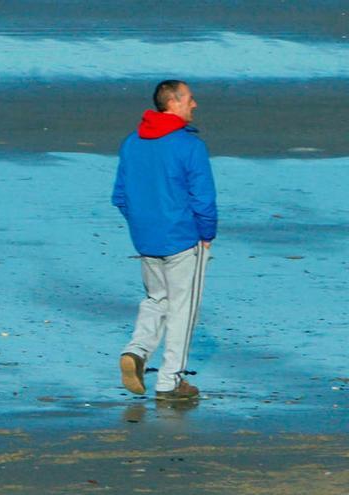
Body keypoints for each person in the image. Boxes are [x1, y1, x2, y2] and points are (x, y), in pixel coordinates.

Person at [111, 80, 217, 401]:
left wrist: (142, 225)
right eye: (189, 99)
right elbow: (203, 198)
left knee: (157, 299)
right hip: (184, 238)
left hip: (146, 238)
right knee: (184, 308)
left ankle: (137, 350)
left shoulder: (132, 143)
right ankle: (170, 380)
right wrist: (207, 233)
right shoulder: (189, 145)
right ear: (172, 102)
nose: (194, 105)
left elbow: (120, 196)